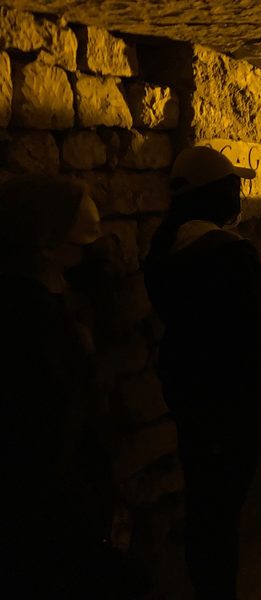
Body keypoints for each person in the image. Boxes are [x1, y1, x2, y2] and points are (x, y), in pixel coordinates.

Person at [145, 146, 261, 600]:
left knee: (204, 496)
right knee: (223, 502)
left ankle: (206, 584)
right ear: (215, 193)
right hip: (231, 396)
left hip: (189, 384)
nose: (239, 197)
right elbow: (256, 332)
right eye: (232, 188)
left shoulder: (166, 243)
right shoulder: (229, 255)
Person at [0, 175, 146, 597]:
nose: (87, 255)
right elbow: (49, 417)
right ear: (47, 245)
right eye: (78, 245)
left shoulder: (48, 299)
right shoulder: (28, 317)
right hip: (53, 498)